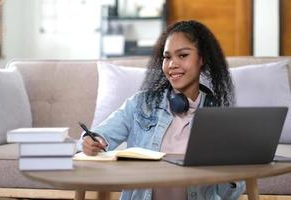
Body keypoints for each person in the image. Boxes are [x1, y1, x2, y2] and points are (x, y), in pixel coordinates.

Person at [80, 20, 245, 200]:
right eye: (167, 57)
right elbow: (100, 134)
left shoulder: (219, 116)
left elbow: (230, 194)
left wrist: (232, 174)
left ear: (202, 59)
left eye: (182, 55)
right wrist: (91, 140)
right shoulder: (140, 104)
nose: (172, 64)